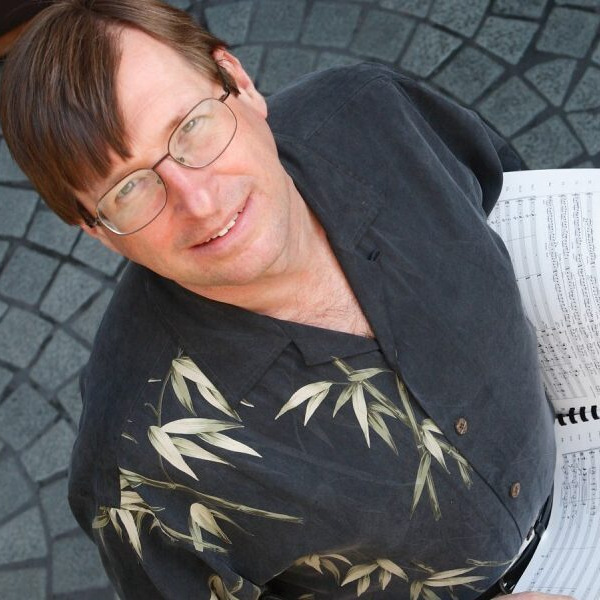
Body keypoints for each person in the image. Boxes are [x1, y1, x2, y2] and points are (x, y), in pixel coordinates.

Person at [0, 1, 573, 599]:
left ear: (238, 82)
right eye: (129, 188)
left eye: (191, 126)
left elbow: (508, 204)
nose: (200, 202)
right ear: (95, 230)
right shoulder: (131, 469)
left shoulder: (376, 113)